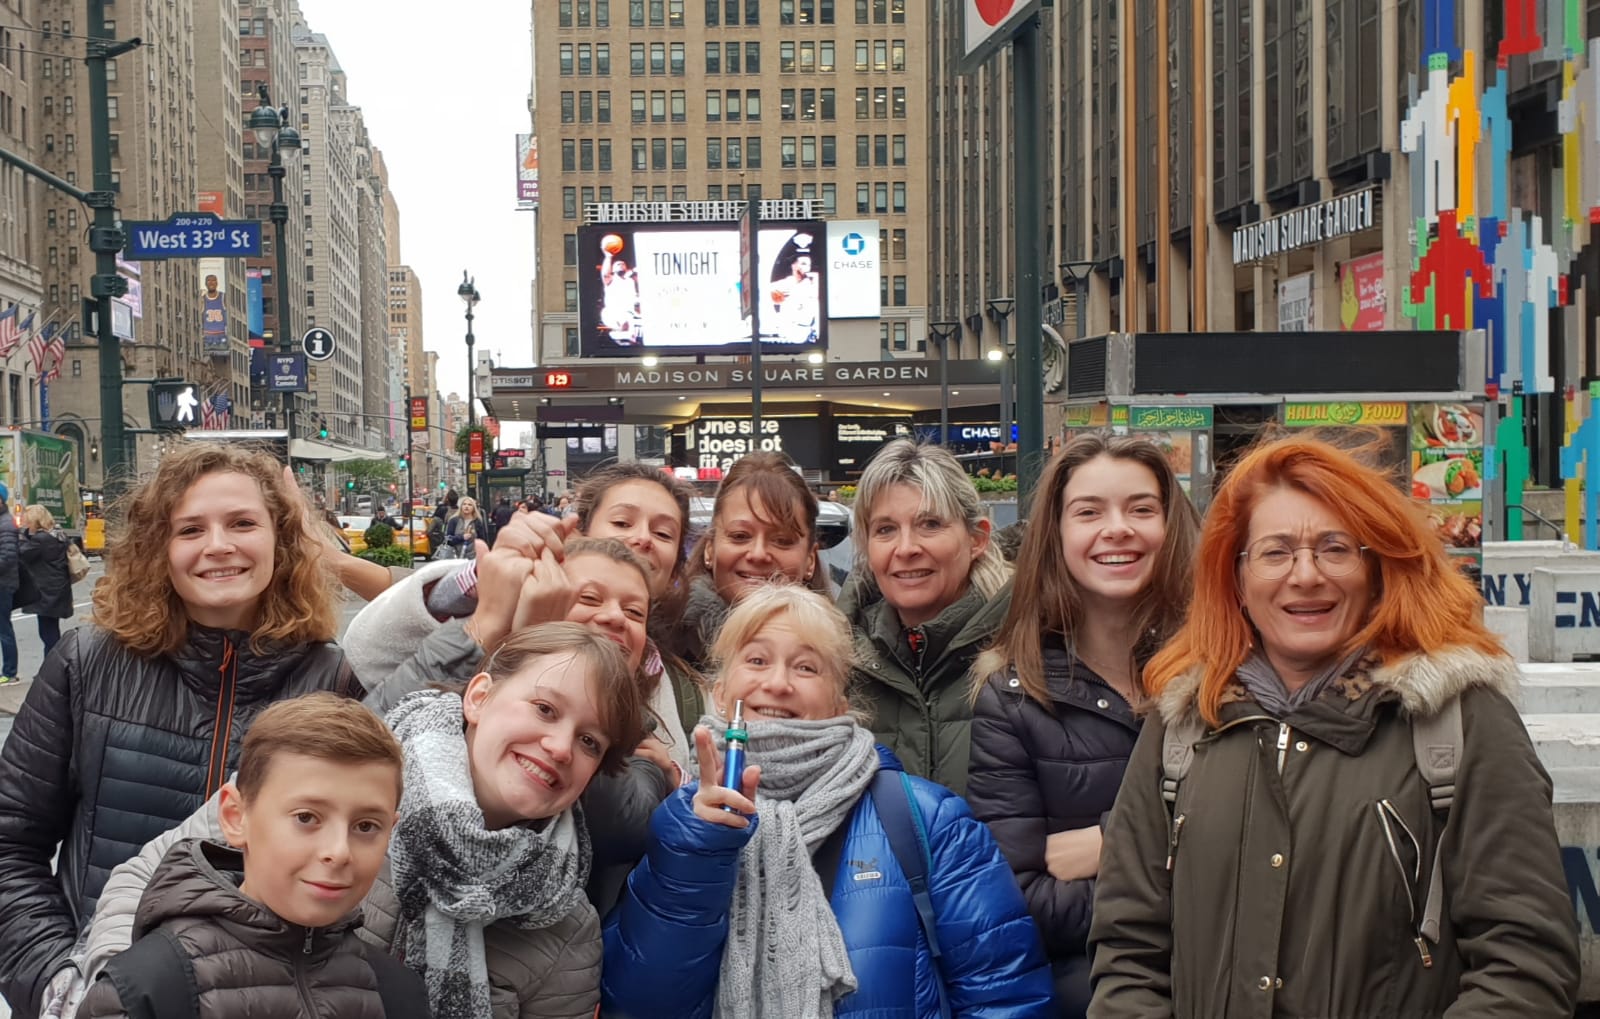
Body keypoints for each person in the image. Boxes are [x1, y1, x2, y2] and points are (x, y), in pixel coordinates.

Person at [1088, 435, 1581, 1016]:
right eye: (1275, 553)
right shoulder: (1184, 726)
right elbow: (1129, 950)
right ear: (1237, 578)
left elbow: (1525, 963)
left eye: (1335, 548)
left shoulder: (1459, 722)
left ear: (1377, 569)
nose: (1306, 575)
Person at [75, 624, 643, 1019]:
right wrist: (127, 990)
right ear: (479, 696)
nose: (559, 746)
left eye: (589, 741)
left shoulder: (563, 923)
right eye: (544, 709)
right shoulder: (347, 775)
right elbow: (148, 874)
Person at [0, 443, 357, 1019]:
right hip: (95, 991)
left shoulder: (333, 678)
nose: (218, 545)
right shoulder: (87, 664)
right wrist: (55, 979)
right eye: (190, 529)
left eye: (242, 523)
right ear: (158, 548)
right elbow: (10, 842)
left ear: (281, 540)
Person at [601, 584, 1055, 1018]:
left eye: (805, 668)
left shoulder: (928, 819)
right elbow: (637, 1004)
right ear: (720, 693)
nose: (778, 683)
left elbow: (1005, 994)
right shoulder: (679, 822)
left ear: (840, 702)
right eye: (756, 660)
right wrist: (694, 857)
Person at [966, 434, 1199, 1017]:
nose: (1117, 529)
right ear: (1057, 534)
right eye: (1089, 512)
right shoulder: (1013, 700)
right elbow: (1022, 902)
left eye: (1141, 509)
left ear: (1170, 526)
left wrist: (1112, 840)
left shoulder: (1221, 678)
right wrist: (1195, 874)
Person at [75, 693, 427, 1018]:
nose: (338, 852)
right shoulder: (148, 989)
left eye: (366, 826)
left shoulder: (397, 994)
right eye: (306, 818)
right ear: (235, 817)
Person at [837, 439, 1011, 794]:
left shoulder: (1029, 649)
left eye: (930, 524)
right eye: (885, 529)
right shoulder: (836, 665)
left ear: (977, 539)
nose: (906, 548)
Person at [674, 451, 829, 669]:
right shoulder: (659, 653)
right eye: (740, 536)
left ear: (810, 559)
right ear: (710, 549)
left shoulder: (845, 664)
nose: (758, 554)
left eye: (782, 540)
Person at [17, 504, 75, 663]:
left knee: (48, 634)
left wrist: (21, 535)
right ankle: (54, 666)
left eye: (27, 520)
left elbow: (22, 554)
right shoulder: (58, 535)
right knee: (51, 630)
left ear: (35, 520)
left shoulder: (41, 539)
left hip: (47, 593)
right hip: (58, 589)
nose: (25, 523)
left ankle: (55, 667)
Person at [0, 483, 19, 685]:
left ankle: (9, 672)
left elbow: (7, 558)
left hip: (3, 585)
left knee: (4, 628)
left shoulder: (6, 524)